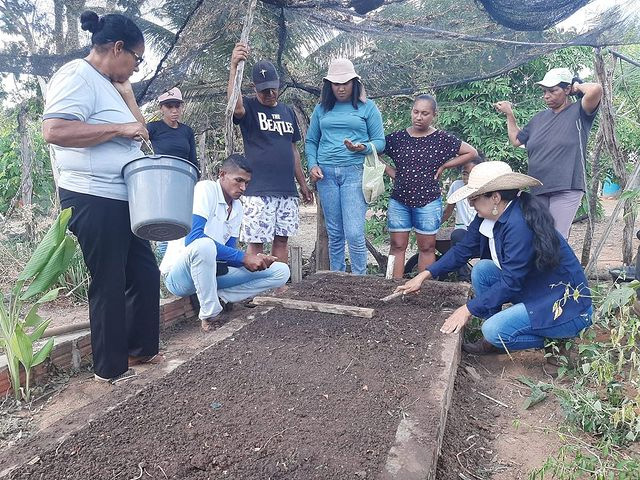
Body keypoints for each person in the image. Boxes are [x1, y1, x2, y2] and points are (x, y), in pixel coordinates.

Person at [42, 11, 158, 383]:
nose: (137, 68)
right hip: (92, 195)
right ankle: (110, 370)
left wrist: (125, 100)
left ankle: (140, 351)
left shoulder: (108, 84)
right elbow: (55, 130)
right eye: (136, 59)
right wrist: (118, 128)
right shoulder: (77, 74)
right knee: (108, 279)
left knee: (144, 272)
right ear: (118, 47)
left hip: (123, 197)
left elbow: (139, 134)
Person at [396, 161, 592, 355]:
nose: (470, 204)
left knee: (493, 330)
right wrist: (424, 275)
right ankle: (495, 337)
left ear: (495, 197)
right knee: (483, 271)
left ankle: (555, 344)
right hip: (536, 290)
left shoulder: (519, 225)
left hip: (564, 306)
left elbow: (511, 282)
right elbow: (462, 250)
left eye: (474, 198)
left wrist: (467, 309)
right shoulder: (492, 215)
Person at [159, 154, 290, 331]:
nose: (243, 187)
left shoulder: (237, 207)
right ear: (222, 174)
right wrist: (244, 257)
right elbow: (193, 238)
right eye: (238, 180)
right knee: (203, 245)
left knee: (281, 271)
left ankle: (221, 297)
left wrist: (254, 259)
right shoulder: (206, 189)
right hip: (180, 277)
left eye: (247, 183)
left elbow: (228, 255)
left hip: (211, 274)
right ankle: (209, 315)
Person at [228, 44, 313, 264]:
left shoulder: (287, 111)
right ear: (253, 87)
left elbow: (292, 149)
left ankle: (278, 286)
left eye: (273, 88)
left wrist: (302, 183)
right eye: (263, 90)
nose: (269, 93)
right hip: (258, 190)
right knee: (256, 241)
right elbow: (234, 108)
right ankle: (255, 288)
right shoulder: (248, 107)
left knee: (282, 240)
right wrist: (234, 67)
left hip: (286, 189)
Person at [494, 68, 603, 239]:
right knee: (539, 237)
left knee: (556, 238)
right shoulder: (538, 119)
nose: (546, 96)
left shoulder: (580, 112)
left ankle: (562, 267)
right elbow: (516, 140)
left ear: (567, 90)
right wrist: (509, 114)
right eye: (545, 91)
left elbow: (596, 89)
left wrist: (576, 86)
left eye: (553, 91)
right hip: (538, 187)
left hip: (566, 186)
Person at [383, 95, 478, 278]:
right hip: (399, 201)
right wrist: (390, 170)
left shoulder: (442, 139)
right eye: (416, 112)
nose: (419, 117)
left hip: (428, 201)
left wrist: (445, 165)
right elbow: (374, 150)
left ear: (434, 115)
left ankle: (421, 291)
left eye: (425, 113)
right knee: (397, 246)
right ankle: (392, 287)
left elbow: (471, 152)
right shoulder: (398, 138)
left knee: (427, 247)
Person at [305, 58, 385, 275]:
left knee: (354, 233)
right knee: (334, 233)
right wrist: (312, 165)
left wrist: (363, 147)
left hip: (354, 173)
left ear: (354, 83)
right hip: (326, 175)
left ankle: (359, 281)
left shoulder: (368, 108)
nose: (341, 88)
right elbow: (311, 141)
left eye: (346, 83)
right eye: (336, 83)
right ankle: (336, 280)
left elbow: (380, 142)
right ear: (329, 85)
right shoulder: (321, 109)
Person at [147, 87, 198, 170]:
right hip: (161, 174)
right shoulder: (153, 127)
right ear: (161, 108)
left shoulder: (187, 131)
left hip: (183, 175)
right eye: (169, 106)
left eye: (177, 106)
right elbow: (137, 144)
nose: (174, 110)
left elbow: (193, 160)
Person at [442, 154, 485, 245]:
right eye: (465, 173)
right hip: (461, 231)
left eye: (472, 173)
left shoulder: (485, 188)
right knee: (457, 235)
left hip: (480, 230)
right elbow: (447, 212)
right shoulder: (456, 186)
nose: (468, 178)